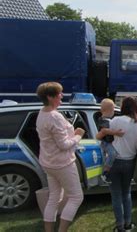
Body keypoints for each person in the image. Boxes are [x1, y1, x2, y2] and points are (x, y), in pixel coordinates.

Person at [35, 82, 85, 232]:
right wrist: (78, 136)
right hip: (62, 163)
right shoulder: (54, 117)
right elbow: (63, 145)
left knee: (54, 197)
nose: (62, 96)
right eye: (59, 94)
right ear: (50, 97)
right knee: (76, 197)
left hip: (48, 162)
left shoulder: (42, 113)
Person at [97, 96, 137, 232]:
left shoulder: (115, 120)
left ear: (122, 107)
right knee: (127, 193)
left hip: (114, 161)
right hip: (130, 162)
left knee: (116, 196)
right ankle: (128, 223)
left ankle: (119, 226)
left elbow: (101, 135)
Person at [97, 98, 123, 182]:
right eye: (113, 110)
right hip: (106, 143)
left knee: (110, 155)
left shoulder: (107, 120)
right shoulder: (104, 120)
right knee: (112, 154)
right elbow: (105, 131)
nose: (113, 113)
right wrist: (116, 132)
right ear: (110, 110)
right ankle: (106, 171)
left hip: (108, 142)